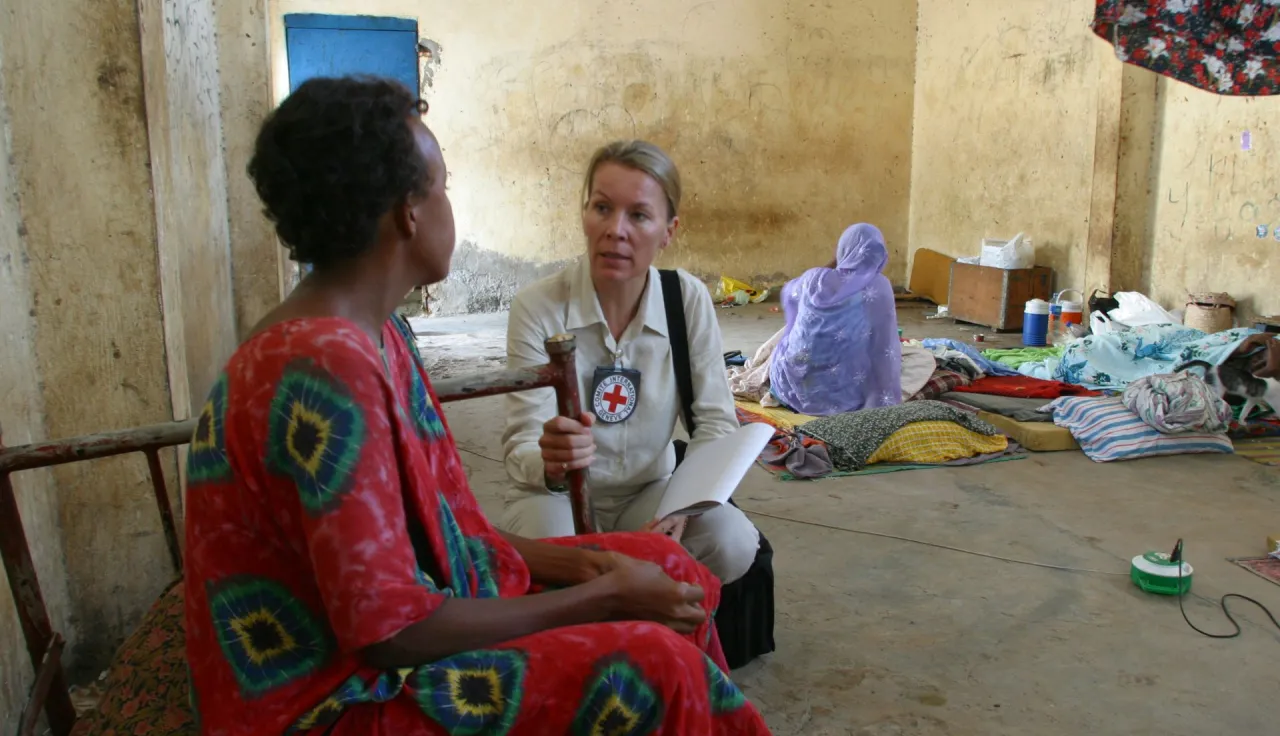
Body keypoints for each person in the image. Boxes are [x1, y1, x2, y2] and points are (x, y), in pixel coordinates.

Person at [181, 77, 770, 735]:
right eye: (444, 186)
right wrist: (599, 592)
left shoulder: (378, 334)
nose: (617, 232)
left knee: (664, 563)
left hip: (408, 625)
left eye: (638, 215)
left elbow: (439, 538)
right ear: (409, 211)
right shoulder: (322, 366)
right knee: (652, 660)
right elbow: (389, 633)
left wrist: (588, 562)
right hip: (331, 700)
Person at [499, 140, 761, 585]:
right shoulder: (538, 307)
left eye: (638, 215)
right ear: (585, 213)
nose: (615, 230)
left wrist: (683, 506)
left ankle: (627, 613)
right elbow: (523, 440)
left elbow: (715, 422)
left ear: (668, 231)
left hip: (649, 492)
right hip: (557, 499)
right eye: (602, 207)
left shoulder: (686, 299)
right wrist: (551, 461)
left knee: (731, 542)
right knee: (560, 555)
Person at [769, 223, 902, 416]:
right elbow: (884, 346)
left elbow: (789, 293)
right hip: (844, 397)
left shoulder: (813, 278)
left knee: (787, 336)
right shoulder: (880, 286)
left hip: (795, 385)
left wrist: (834, 266)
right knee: (917, 360)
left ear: (842, 249)